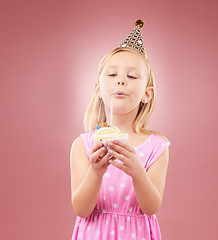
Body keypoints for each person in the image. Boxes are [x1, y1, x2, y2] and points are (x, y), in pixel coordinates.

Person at [70, 19, 170, 240]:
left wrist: (137, 171)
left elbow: (152, 207)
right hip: (95, 233)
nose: (121, 81)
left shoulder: (156, 146)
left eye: (132, 76)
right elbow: (81, 209)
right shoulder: (84, 145)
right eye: (112, 75)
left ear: (147, 93)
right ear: (98, 89)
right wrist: (96, 172)